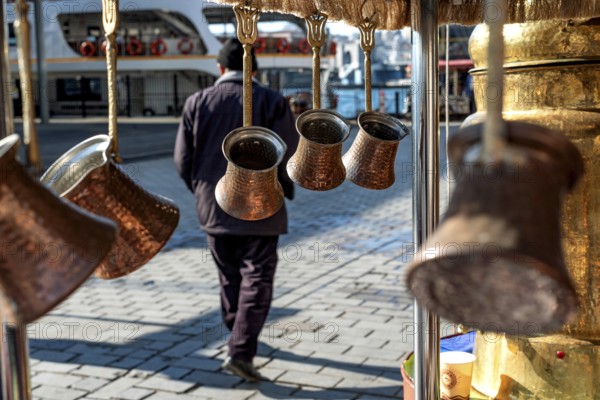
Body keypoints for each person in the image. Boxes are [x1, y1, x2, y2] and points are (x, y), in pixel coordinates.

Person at [173, 38, 298, 382]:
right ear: (254, 70)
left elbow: (182, 159)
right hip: (263, 208)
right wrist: (286, 190)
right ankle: (241, 348)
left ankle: (238, 335)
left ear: (219, 69)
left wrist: (201, 192)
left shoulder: (197, 101)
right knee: (257, 277)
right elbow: (289, 156)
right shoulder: (273, 101)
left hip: (213, 207)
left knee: (229, 276)